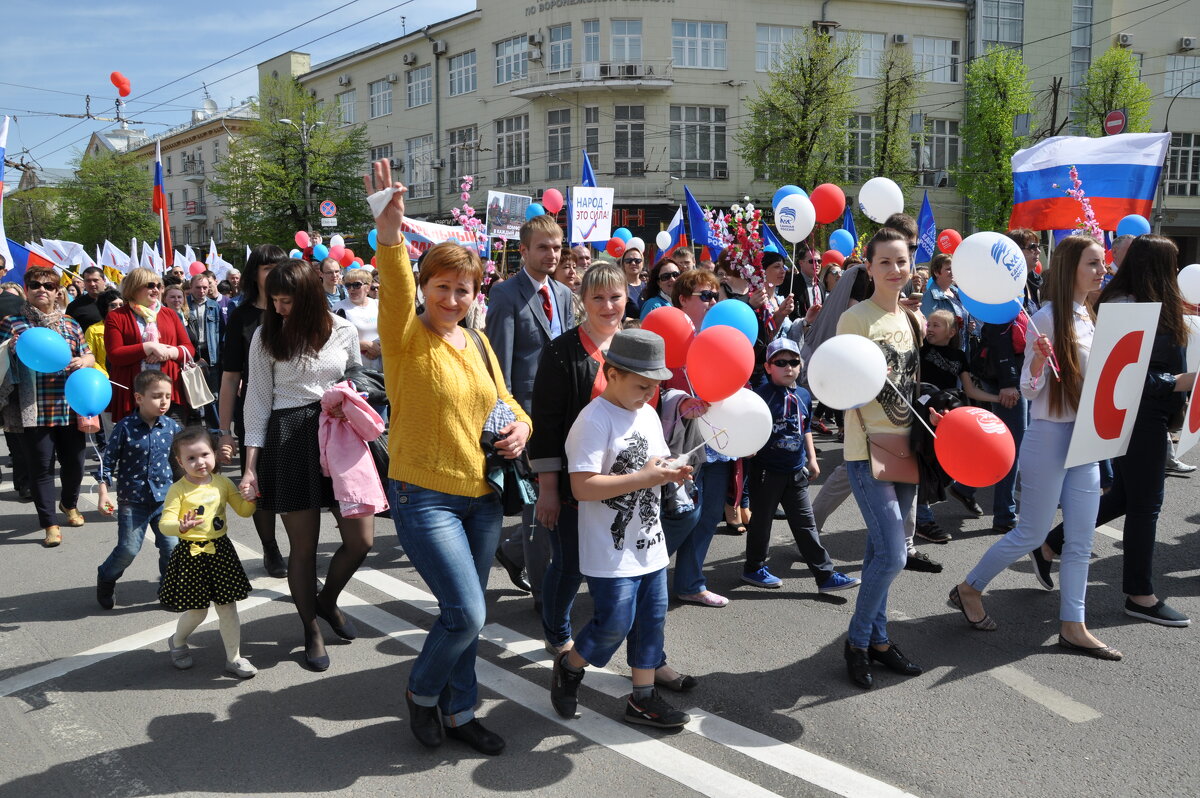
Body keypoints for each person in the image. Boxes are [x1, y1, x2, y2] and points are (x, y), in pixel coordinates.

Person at [372, 159, 530, 756]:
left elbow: (506, 398)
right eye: (442, 286)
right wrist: (389, 233)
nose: (453, 297)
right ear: (427, 286)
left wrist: (520, 428)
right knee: (465, 612)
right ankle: (421, 693)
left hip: (482, 496)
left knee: (471, 613)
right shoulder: (406, 335)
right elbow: (393, 287)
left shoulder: (480, 339)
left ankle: (461, 710)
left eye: (463, 289)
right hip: (424, 492)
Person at [952, 235, 1122, 660]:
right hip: (1049, 435)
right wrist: (1037, 363)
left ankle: (1073, 625)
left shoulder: (1091, 316)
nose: (1103, 270)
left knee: (1082, 538)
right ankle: (969, 587)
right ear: (1071, 270)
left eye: (1102, 264)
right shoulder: (1045, 318)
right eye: (1094, 263)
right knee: (1030, 532)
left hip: (1085, 438)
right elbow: (1029, 390)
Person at [1038, 234, 1197, 627]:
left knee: (1127, 496)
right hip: (1138, 416)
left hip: (1149, 414)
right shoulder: (1125, 304)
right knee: (1146, 505)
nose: (1176, 272)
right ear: (1156, 268)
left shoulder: (1144, 301)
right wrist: (1180, 381)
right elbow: (1122, 376)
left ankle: (1050, 545)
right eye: (1172, 265)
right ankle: (1139, 594)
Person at [550, 329, 694, 728]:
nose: (649, 394)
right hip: (609, 549)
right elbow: (582, 486)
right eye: (641, 385)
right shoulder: (593, 420)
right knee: (615, 621)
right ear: (611, 374)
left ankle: (643, 698)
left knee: (652, 619)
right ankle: (571, 665)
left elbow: (657, 462)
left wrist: (673, 472)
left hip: (649, 541)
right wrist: (647, 479)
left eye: (654, 387)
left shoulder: (646, 413)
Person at [240, 260, 373, 673]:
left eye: (287, 301)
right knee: (304, 549)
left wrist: (351, 393)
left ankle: (327, 600)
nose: (279, 308)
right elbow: (257, 402)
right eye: (274, 301)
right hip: (288, 437)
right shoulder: (266, 336)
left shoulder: (345, 329)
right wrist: (250, 466)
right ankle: (311, 628)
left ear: (310, 296)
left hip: (338, 434)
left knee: (361, 539)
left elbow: (358, 379)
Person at [838, 228, 926, 689]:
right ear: (867, 267)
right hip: (867, 449)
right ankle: (856, 642)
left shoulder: (913, 321)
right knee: (894, 554)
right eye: (885, 262)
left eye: (902, 260)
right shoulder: (855, 320)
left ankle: (879, 639)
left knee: (879, 551)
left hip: (907, 448)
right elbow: (842, 390)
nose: (896, 269)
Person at [485, 214, 575, 605]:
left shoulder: (565, 294)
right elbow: (498, 367)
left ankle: (514, 551)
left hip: (565, 414)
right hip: (527, 418)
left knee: (563, 500)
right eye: (543, 247)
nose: (552, 254)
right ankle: (544, 594)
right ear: (523, 251)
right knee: (537, 507)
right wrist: (506, 421)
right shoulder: (506, 295)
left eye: (556, 247)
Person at [742, 337, 861, 592]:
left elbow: (805, 426)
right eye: (781, 362)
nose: (789, 367)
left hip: (795, 471)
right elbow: (748, 428)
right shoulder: (760, 397)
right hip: (766, 471)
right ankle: (753, 568)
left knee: (806, 525)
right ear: (768, 366)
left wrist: (812, 458)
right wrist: (747, 448)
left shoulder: (804, 394)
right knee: (761, 523)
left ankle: (825, 575)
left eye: (794, 362)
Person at [0, 266, 96, 546]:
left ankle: (69, 503)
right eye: (34, 285)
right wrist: (10, 348)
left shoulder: (71, 324)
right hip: (34, 406)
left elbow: (88, 354)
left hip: (70, 403)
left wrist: (84, 361)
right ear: (27, 290)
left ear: (57, 292)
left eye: (49, 286)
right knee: (41, 467)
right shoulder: (12, 323)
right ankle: (50, 523)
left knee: (75, 464)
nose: (42, 289)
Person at [159, 427, 258, 678]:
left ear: (214, 454)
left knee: (228, 607)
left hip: (221, 551)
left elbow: (244, 512)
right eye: (191, 458)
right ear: (180, 462)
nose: (199, 462)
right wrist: (179, 526)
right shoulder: (178, 489)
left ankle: (234, 659)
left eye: (204, 454)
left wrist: (250, 497)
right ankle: (178, 641)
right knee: (197, 611)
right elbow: (164, 523)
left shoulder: (223, 483)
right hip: (191, 554)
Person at [217, 244, 289, 578]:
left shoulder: (295, 310)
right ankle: (270, 547)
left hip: (295, 410)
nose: (274, 273)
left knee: (292, 482)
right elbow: (230, 378)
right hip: (254, 410)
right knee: (257, 482)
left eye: (280, 266)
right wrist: (224, 431)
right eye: (266, 268)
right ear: (253, 274)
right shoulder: (241, 316)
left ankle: (300, 546)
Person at [95, 371, 183, 609]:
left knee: (172, 547)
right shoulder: (125, 427)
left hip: (165, 500)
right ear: (139, 398)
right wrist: (103, 493)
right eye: (156, 396)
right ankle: (106, 576)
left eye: (167, 395)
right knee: (128, 549)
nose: (164, 401)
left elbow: (182, 462)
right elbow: (107, 462)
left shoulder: (172, 427)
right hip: (132, 501)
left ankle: (168, 588)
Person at [913, 309, 1001, 543]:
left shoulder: (960, 357)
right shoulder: (919, 351)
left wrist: (997, 398)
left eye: (937, 325)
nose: (930, 328)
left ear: (952, 332)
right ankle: (923, 518)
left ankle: (959, 490)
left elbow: (970, 390)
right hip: (923, 412)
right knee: (924, 465)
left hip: (948, 413)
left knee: (951, 463)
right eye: (929, 324)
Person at [104, 268, 194, 424]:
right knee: (136, 446)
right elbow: (115, 355)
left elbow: (188, 347)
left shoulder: (170, 314)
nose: (156, 289)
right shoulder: (117, 316)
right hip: (134, 394)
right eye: (150, 285)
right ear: (134, 287)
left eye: (159, 286)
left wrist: (171, 352)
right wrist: (149, 347)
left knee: (173, 444)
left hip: (169, 393)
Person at [186, 273, 224, 429]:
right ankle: (192, 429)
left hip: (211, 353)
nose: (201, 291)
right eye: (198, 287)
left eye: (204, 287)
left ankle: (214, 429)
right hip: (191, 352)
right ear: (191, 287)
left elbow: (221, 331)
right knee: (191, 393)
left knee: (212, 394)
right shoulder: (185, 304)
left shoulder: (214, 306)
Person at [332, 267, 382, 370]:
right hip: (355, 370)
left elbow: (390, 333)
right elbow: (333, 341)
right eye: (348, 285)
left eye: (356, 285)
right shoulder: (339, 308)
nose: (351, 289)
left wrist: (379, 348)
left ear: (367, 287)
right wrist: (364, 345)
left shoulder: (377, 305)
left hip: (382, 367)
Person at [65, 265, 107, 330]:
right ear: (84, 282)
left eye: (95, 280)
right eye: (88, 281)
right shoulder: (74, 306)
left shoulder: (117, 302)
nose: (92, 284)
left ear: (104, 281)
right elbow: (69, 332)